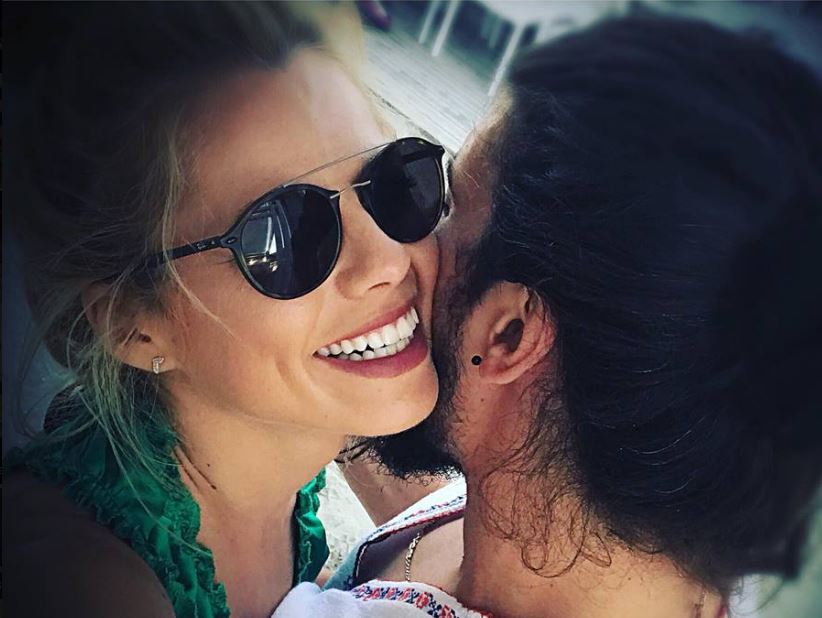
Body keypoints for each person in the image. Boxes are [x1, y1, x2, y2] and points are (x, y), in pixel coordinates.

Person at [275, 13, 822, 618]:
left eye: (447, 208)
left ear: (508, 334)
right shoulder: (685, 548)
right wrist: (352, 384)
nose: (399, 251)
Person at [3, 3, 448, 616]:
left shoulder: (270, 446)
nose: (388, 260)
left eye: (395, 185)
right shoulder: (84, 582)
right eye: (286, 235)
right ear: (133, 326)